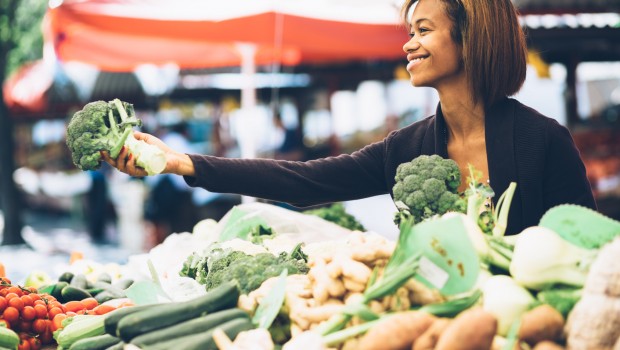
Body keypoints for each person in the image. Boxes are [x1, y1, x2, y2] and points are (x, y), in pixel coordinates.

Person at [103, 0, 596, 235]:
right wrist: (184, 163)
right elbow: (305, 181)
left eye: (423, 29)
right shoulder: (407, 148)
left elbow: (588, 244)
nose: (408, 43)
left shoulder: (544, 140)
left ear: (471, 39)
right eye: (409, 30)